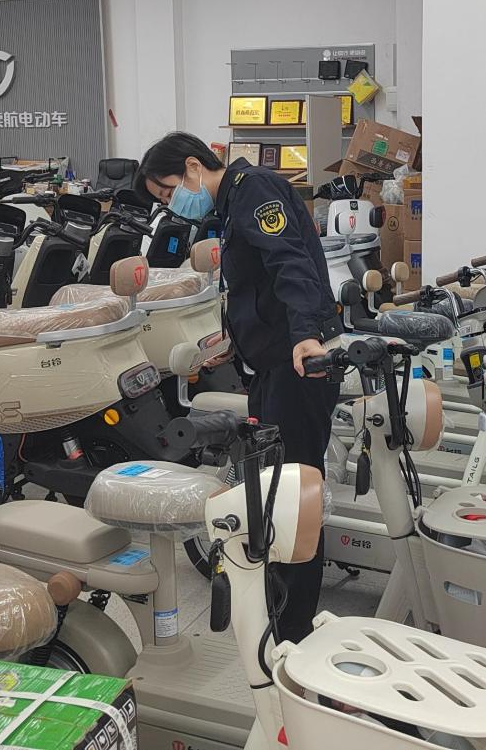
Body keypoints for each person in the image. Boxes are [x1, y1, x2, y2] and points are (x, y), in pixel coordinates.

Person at [140, 132, 342, 641]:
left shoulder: (253, 189)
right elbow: (255, 288)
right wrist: (237, 343)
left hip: (296, 366)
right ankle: (280, 610)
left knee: (293, 494)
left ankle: (293, 630)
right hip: (273, 366)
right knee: (274, 489)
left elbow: (289, 261)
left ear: (192, 167)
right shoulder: (233, 203)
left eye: (168, 191)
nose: (172, 204)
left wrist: (306, 334)